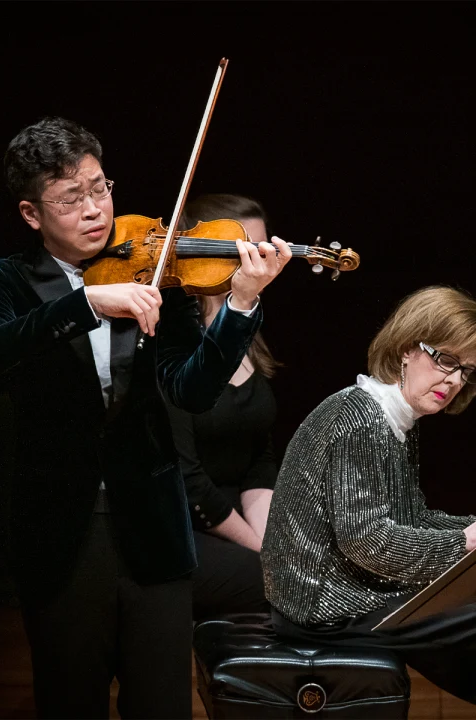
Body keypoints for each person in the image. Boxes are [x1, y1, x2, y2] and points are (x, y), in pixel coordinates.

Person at [0, 116, 292, 719]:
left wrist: (241, 304)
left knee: (162, 706)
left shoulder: (154, 270)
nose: (94, 209)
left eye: (99, 187)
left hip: (154, 532)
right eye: (70, 198)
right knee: (72, 702)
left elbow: (190, 390)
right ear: (32, 214)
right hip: (64, 531)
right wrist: (86, 302)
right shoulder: (3, 281)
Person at [260, 285, 476, 719]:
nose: (453, 379)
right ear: (407, 349)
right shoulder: (360, 420)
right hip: (326, 607)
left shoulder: (394, 419)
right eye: (446, 359)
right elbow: (367, 542)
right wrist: (466, 541)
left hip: (353, 592)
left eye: (466, 371)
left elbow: (410, 517)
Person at [166, 194, 280, 622]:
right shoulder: (173, 340)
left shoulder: (247, 325)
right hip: (182, 527)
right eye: (249, 249)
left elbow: (259, 458)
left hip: (238, 518)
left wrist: (270, 536)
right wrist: (260, 547)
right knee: (274, 582)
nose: (263, 261)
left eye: (264, 247)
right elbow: (187, 479)